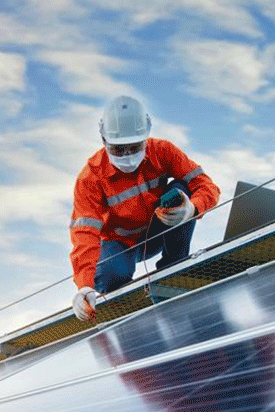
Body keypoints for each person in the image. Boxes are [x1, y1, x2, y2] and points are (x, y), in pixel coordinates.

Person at [70, 95, 221, 321]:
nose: (128, 156)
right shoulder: (90, 178)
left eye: (134, 147)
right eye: (119, 149)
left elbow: (206, 185)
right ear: (103, 140)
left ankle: (172, 269)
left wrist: (192, 209)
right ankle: (127, 308)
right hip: (121, 245)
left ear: (146, 137)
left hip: (160, 229)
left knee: (181, 189)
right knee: (111, 274)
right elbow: (84, 233)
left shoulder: (163, 152)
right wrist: (84, 286)